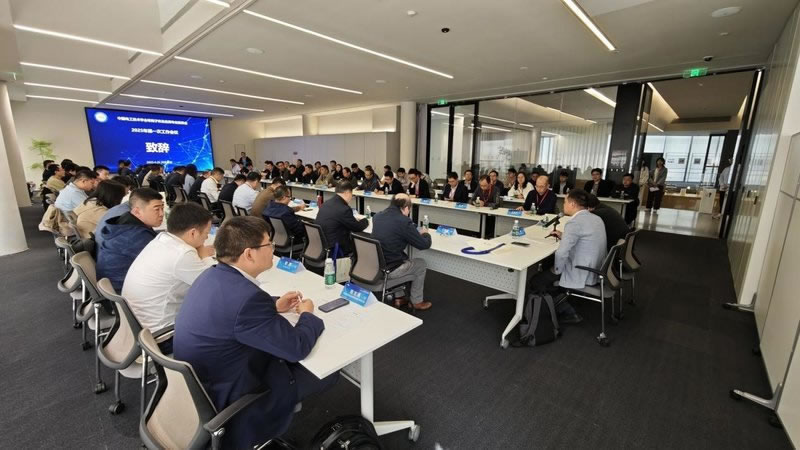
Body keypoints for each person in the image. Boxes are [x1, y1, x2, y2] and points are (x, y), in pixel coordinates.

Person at [173, 216, 336, 448]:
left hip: (202, 383)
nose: (273, 249)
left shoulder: (211, 275)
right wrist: (307, 315)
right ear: (249, 254)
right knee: (328, 372)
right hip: (233, 394)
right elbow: (296, 347)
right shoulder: (247, 299)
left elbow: (234, 308)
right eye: (269, 244)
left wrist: (273, 304)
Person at [123, 203, 215, 353]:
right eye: (206, 233)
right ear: (192, 233)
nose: (206, 238)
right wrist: (205, 257)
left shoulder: (162, 238)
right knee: (224, 321)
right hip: (163, 336)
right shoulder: (182, 254)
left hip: (139, 329)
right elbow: (215, 287)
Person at [525, 189, 607, 324]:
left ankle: (567, 311)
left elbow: (561, 253)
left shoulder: (574, 223)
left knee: (537, 280)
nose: (563, 205)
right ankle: (558, 295)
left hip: (582, 270)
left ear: (572, 204)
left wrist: (556, 271)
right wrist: (564, 235)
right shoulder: (596, 218)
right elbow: (585, 239)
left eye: (565, 202)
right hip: (596, 268)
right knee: (548, 263)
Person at [372, 194, 433, 310]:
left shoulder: (377, 216)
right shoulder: (403, 221)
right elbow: (424, 245)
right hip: (390, 269)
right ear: (406, 208)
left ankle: (399, 297)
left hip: (376, 265)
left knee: (401, 258)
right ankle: (417, 301)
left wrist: (411, 226)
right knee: (421, 263)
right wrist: (426, 233)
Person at [97, 188, 164, 292]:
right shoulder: (135, 236)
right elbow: (163, 265)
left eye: (162, 208)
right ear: (137, 211)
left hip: (117, 284)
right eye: (156, 209)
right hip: (125, 291)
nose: (161, 214)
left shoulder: (124, 223)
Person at [316, 180, 368, 256]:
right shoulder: (344, 209)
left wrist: (352, 220)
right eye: (352, 194)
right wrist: (365, 220)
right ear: (347, 193)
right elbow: (357, 227)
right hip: (336, 247)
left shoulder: (326, 203)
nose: (351, 197)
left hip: (321, 243)